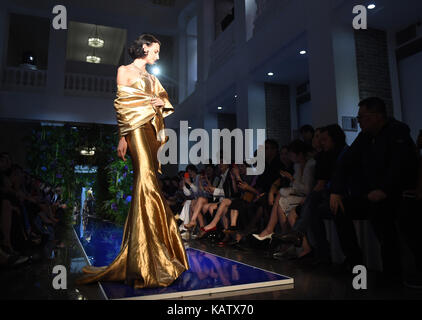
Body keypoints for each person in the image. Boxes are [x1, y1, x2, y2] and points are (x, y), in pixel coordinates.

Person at [77, 34, 189, 288]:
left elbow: (164, 103)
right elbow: (122, 108)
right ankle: (152, 255)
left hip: (150, 131)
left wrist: (160, 103)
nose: (158, 55)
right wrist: (122, 138)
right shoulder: (124, 71)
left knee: (149, 181)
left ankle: (146, 253)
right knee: (147, 178)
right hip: (135, 129)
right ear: (144, 47)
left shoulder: (152, 78)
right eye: (156, 50)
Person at [329, 97, 418, 283]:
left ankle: (393, 273)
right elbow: (345, 163)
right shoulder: (366, 136)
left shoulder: (397, 131)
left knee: (383, 215)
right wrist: (336, 191)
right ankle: (355, 263)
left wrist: (385, 189)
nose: (358, 121)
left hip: (396, 193)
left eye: (361, 117)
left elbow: (401, 166)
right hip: (372, 194)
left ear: (377, 116)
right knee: (339, 207)